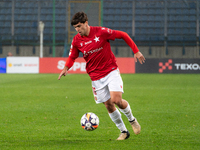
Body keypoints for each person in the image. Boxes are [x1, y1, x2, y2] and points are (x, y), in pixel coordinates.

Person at [58, 12, 145, 140]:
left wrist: (136, 51)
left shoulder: (101, 32)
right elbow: (73, 56)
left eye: (79, 26)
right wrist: (66, 67)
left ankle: (132, 120)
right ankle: (124, 132)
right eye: (75, 27)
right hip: (95, 77)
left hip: (111, 71)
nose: (77, 29)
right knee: (109, 105)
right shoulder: (77, 40)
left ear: (86, 23)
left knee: (116, 100)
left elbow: (123, 35)